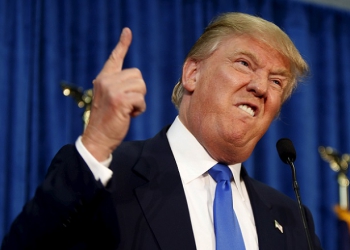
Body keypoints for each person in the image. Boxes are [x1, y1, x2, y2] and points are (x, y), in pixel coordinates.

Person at [1, 12, 322, 250]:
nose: (260, 86)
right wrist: (96, 142)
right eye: (244, 64)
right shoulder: (107, 177)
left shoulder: (293, 220)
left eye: (277, 81)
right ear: (192, 74)